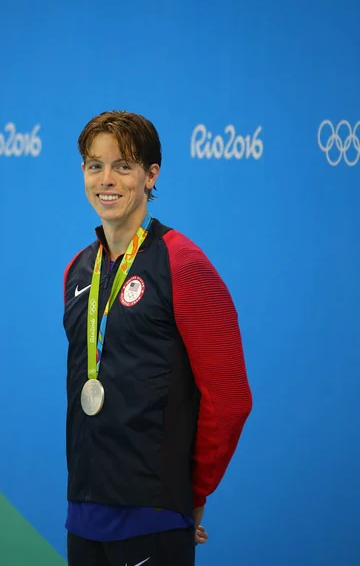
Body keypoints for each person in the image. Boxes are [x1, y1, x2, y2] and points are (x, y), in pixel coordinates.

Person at [63, 110, 252, 566]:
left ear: (151, 176)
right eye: (95, 165)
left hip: (153, 519)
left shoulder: (183, 264)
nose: (106, 179)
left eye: (123, 166)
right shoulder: (78, 269)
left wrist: (192, 491)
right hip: (83, 518)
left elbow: (229, 400)